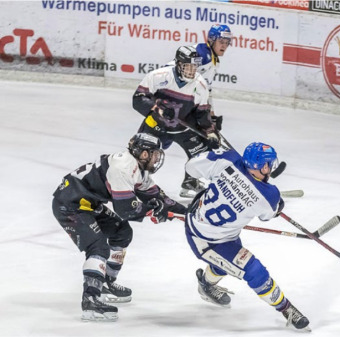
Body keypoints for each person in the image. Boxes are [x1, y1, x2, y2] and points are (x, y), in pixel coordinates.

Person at [51, 133, 187, 321]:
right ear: (144, 154)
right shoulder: (123, 167)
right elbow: (126, 209)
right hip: (70, 205)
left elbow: (159, 198)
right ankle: (90, 300)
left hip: (87, 204)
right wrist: (154, 210)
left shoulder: (137, 168)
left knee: (121, 232)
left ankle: (105, 282)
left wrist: (189, 213)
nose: (157, 159)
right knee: (98, 247)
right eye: (155, 154)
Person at [183, 142, 310, 330]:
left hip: (201, 218)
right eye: (270, 164)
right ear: (264, 167)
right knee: (255, 271)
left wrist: (219, 158)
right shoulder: (270, 195)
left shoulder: (229, 159)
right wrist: (278, 205)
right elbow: (267, 215)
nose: (271, 167)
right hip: (207, 241)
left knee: (226, 264)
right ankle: (286, 308)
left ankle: (206, 284)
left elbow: (191, 167)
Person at [132, 45, 220, 198]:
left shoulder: (200, 85)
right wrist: (158, 108)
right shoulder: (159, 76)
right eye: (188, 66)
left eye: (195, 67)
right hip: (156, 125)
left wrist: (210, 132)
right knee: (141, 153)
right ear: (179, 64)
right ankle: (134, 183)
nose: (192, 71)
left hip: (182, 128)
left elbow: (202, 113)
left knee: (201, 152)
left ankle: (190, 182)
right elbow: (138, 99)